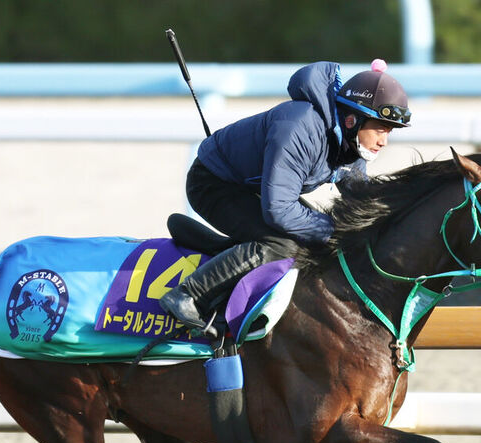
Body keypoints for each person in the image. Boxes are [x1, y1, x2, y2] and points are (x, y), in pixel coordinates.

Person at [159, 58, 412, 338]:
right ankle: (189, 295)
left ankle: (227, 253)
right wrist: (333, 231)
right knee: (284, 243)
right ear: (352, 119)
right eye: (379, 129)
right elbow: (278, 210)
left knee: (311, 237)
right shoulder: (301, 126)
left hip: (254, 188)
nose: (383, 141)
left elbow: (360, 200)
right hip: (213, 183)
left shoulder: (346, 141)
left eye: (388, 132)